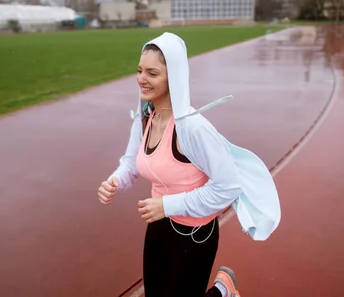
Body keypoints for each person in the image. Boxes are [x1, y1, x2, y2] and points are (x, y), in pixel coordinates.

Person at [98, 32, 281, 297]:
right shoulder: (145, 117)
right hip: (158, 226)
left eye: (152, 73)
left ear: (173, 76)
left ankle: (222, 292)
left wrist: (168, 205)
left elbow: (229, 187)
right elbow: (131, 163)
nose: (141, 79)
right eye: (139, 71)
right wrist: (115, 181)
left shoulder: (192, 129)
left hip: (194, 235)